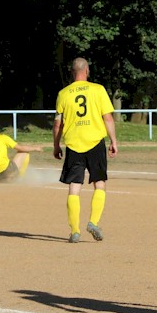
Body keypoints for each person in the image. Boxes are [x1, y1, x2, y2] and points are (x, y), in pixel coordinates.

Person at [53, 57, 118, 243]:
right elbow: (108, 118)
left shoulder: (63, 94)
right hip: (95, 142)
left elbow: (58, 124)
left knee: (74, 187)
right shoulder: (98, 89)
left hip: (74, 144)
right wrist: (113, 141)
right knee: (100, 183)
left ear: (72, 72)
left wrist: (56, 145)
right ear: (87, 70)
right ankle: (93, 222)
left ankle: (75, 231)